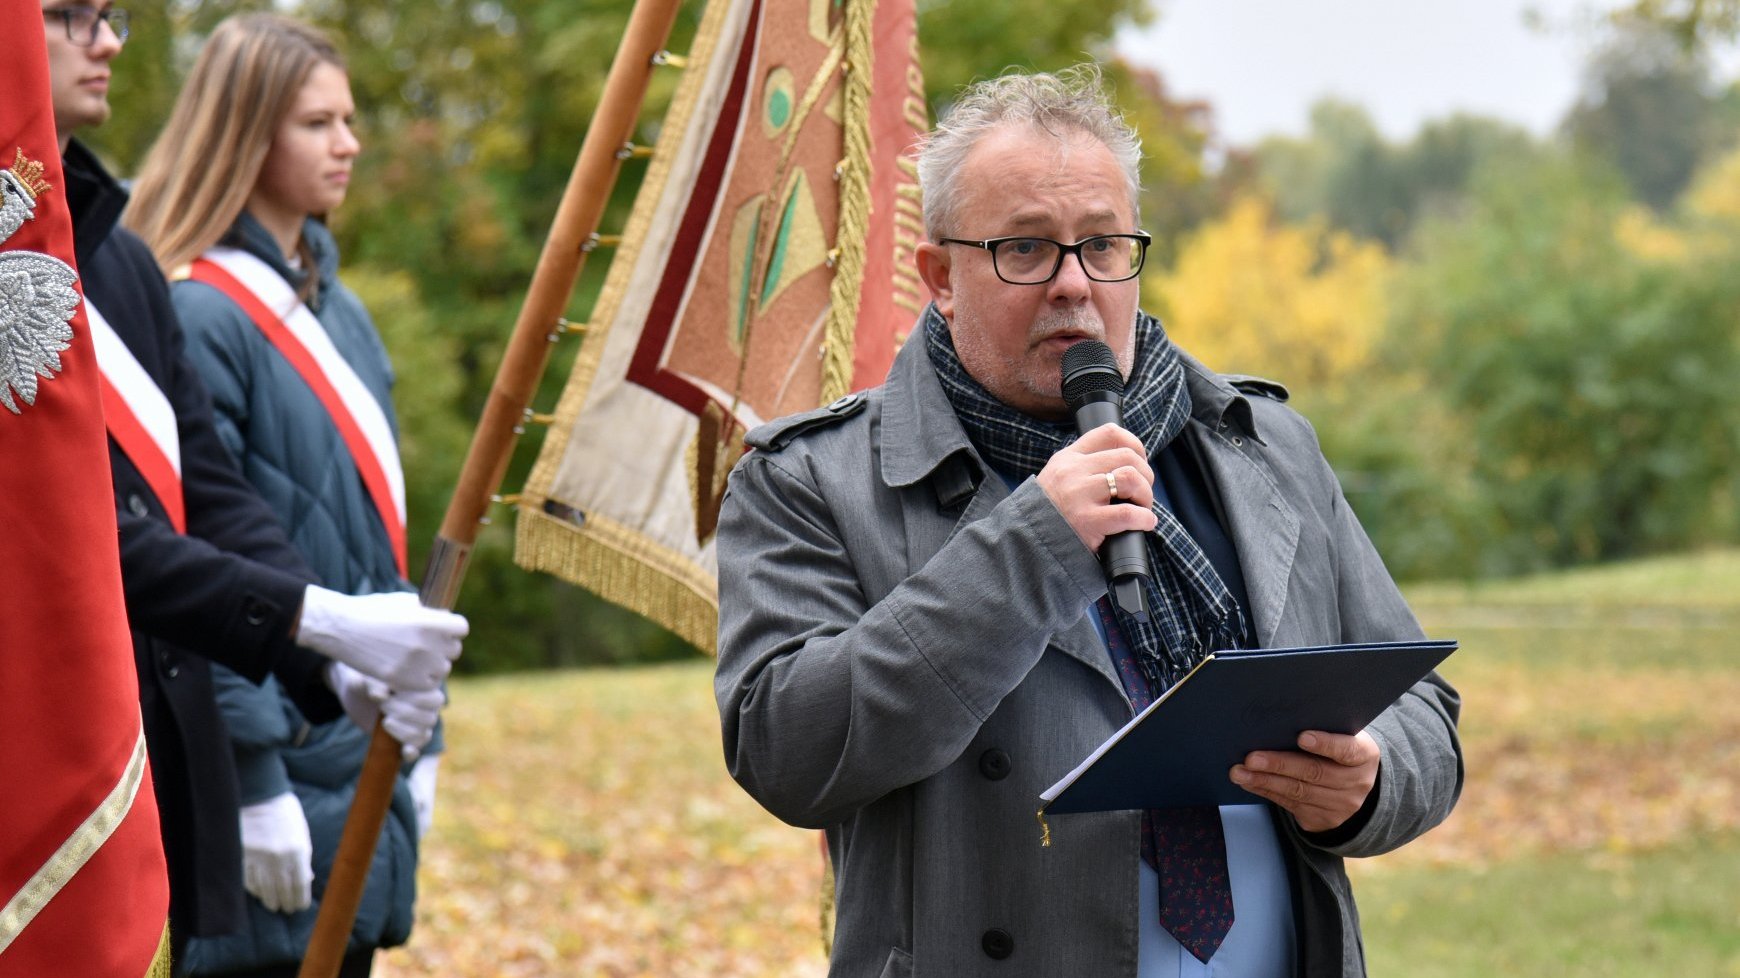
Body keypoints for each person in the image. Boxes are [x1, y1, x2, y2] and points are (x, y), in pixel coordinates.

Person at [714, 65, 1463, 978]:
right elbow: (786, 750)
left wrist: (1369, 779)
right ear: (941, 276)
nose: (1075, 285)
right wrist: (1028, 549)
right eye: (1025, 249)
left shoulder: (1263, 445)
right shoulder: (812, 479)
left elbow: (1423, 707)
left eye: (1103, 245)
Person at [40, 0, 465, 967]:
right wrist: (262, 760)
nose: (107, 41)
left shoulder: (125, 263)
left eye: (111, 17)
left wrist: (331, 651)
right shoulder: (199, 299)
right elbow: (104, 534)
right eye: (72, 17)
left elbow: (214, 494)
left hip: (287, 702)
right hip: (134, 735)